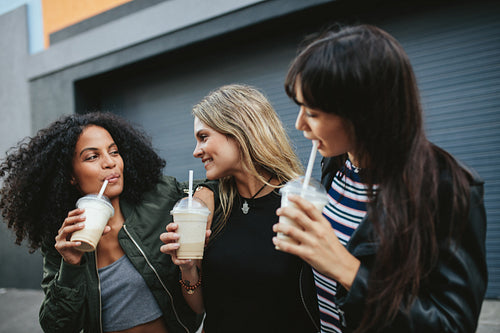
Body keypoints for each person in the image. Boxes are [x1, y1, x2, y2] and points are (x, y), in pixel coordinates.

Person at [273, 24, 488, 332]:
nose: (299, 124)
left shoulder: (445, 188)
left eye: (313, 112)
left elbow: (452, 324)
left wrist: (346, 269)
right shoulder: (336, 165)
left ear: (360, 112)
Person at [0, 112, 210, 333]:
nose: (110, 163)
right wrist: (70, 267)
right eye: (92, 157)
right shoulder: (64, 239)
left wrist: (201, 199)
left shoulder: (158, 198)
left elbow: (213, 186)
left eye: (114, 152)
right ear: (70, 175)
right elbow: (57, 327)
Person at [160, 84, 320, 332]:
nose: (195, 151)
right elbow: (199, 308)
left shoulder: (296, 199)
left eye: (203, 137)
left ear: (239, 131)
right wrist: (187, 267)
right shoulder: (209, 204)